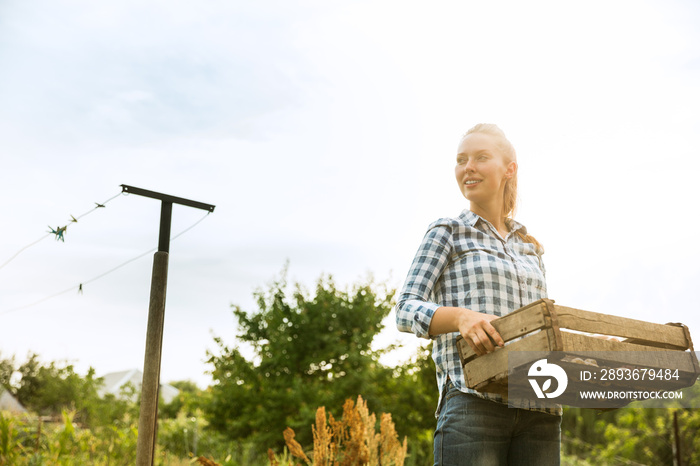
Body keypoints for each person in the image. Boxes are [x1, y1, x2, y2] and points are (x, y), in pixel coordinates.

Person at [395, 123, 562, 465]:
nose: (467, 167)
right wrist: (461, 317)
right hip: (474, 405)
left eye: (481, 157)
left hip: (539, 407)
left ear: (508, 169)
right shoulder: (448, 232)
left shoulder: (530, 248)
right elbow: (405, 309)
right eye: (461, 159)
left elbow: (541, 328)